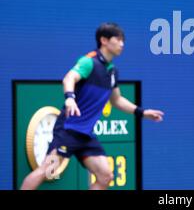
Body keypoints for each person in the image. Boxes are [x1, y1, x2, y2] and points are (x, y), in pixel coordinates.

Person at [21, 23, 164, 190]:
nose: (122, 44)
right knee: (47, 170)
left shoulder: (112, 72)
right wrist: (69, 98)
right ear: (104, 40)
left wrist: (142, 112)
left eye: (123, 40)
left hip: (86, 135)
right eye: (117, 39)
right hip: (68, 130)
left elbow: (116, 100)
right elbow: (69, 78)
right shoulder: (89, 62)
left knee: (106, 176)